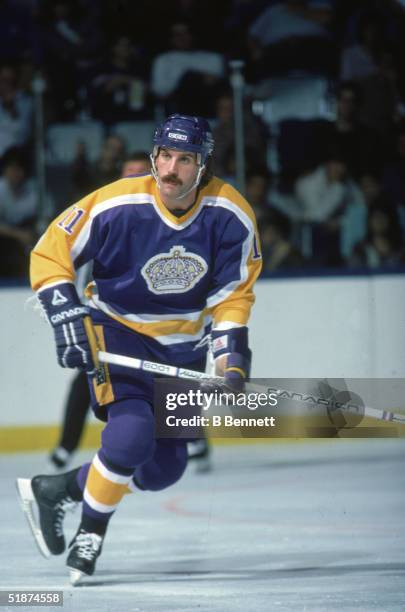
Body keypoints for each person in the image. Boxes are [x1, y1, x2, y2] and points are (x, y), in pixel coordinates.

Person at [17, 114, 262, 585]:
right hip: (117, 332)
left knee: (163, 469)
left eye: (184, 159)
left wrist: (231, 358)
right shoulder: (118, 202)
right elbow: (50, 251)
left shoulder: (230, 214)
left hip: (185, 349)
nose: (170, 169)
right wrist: (66, 314)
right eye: (164, 156)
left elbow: (233, 295)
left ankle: (58, 489)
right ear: (154, 156)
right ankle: (90, 535)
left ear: (203, 164)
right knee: (131, 436)